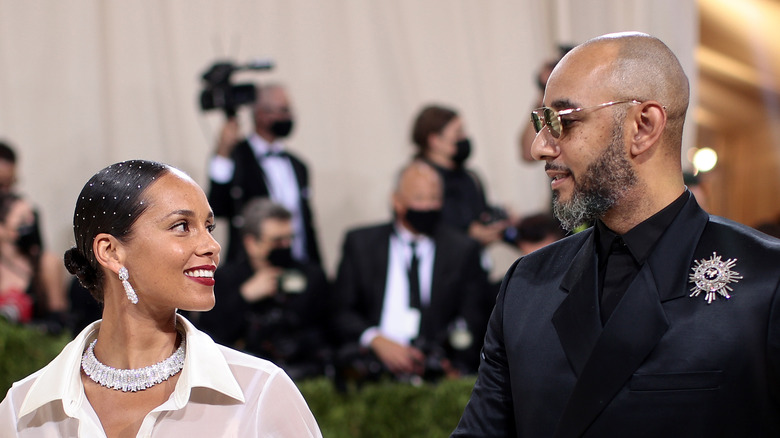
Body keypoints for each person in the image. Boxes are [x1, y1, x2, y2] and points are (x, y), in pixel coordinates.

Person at [452, 32, 780, 437]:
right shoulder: (527, 284)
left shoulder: (767, 282)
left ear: (643, 126)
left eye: (564, 121)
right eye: (542, 123)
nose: (540, 147)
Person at [0, 160, 322, 437]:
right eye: (182, 226)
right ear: (110, 251)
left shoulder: (259, 392)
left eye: (208, 226)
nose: (212, 246)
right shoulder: (24, 411)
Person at [333, 161, 489, 382]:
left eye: (434, 199)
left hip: (437, 368)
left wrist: (449, 357)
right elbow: (341, 311)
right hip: (372, 367)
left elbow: (473, 316)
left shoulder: (462, 250)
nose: (427, 206)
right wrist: (375, 340)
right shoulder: (361, 245)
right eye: (419, 198)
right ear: (397, 201)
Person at [194, 197, 333, 381]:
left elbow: (327, 329)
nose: (285, 247)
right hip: (244, 377)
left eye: (289, 239)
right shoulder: (225, 279)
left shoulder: (311, 276)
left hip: (305, 375)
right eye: (277, 241)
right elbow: (208, 336)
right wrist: (245, 296)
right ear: (252, 243)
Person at [208, 83, 321, 266]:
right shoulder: (238, 157)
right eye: (283, 110)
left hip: (297, 264)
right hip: (251, 267)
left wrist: (317, 267)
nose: (288, 117)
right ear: (261, 114)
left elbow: (306, 223)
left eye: (289, 110)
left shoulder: (298, 165)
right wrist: (223, 152)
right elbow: (218, 205)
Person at [411, 105, 510, 247]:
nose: (464, 138)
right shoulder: (419, 181)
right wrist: (469, 235)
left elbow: (480, 213)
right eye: (458, 133)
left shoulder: (469, 177)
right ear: (435, 141)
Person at [0, 194, 67, 326]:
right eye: (22, 221)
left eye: (32, 218)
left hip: (39, 343)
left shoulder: (46, 263)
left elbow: (59, 318)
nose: (30, 225)